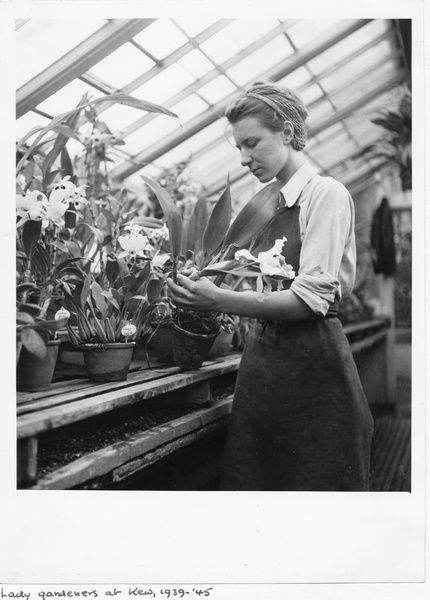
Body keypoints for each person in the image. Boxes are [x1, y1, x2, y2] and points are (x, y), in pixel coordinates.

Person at [167, 81, 374, 491]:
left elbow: (309, 301)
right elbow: (261, 282)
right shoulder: (271, 202)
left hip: (313, 365)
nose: (245, 159)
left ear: (286, 131)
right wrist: (205, 280)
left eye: (252, 143)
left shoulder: (324, 195)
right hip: (263, 366)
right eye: (239, 148)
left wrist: (218, 300)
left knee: (317, 486)